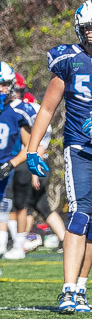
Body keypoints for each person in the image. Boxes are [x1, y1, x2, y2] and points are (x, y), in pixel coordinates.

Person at [26, 0, 92, 311]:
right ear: (80, 31)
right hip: (80, 148)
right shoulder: (68, 59)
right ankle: (68, 289)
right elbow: (47, 108)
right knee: (79, 215)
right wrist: (32, 149)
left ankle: (81, 288)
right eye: (90, 28)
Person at [0, 61, 34, 258]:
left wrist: (11, 163)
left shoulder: (18, 110)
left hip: (7, 165)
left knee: (11, 205)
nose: (1, 89)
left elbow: (30, 144)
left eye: (4, 84)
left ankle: (11, 244)